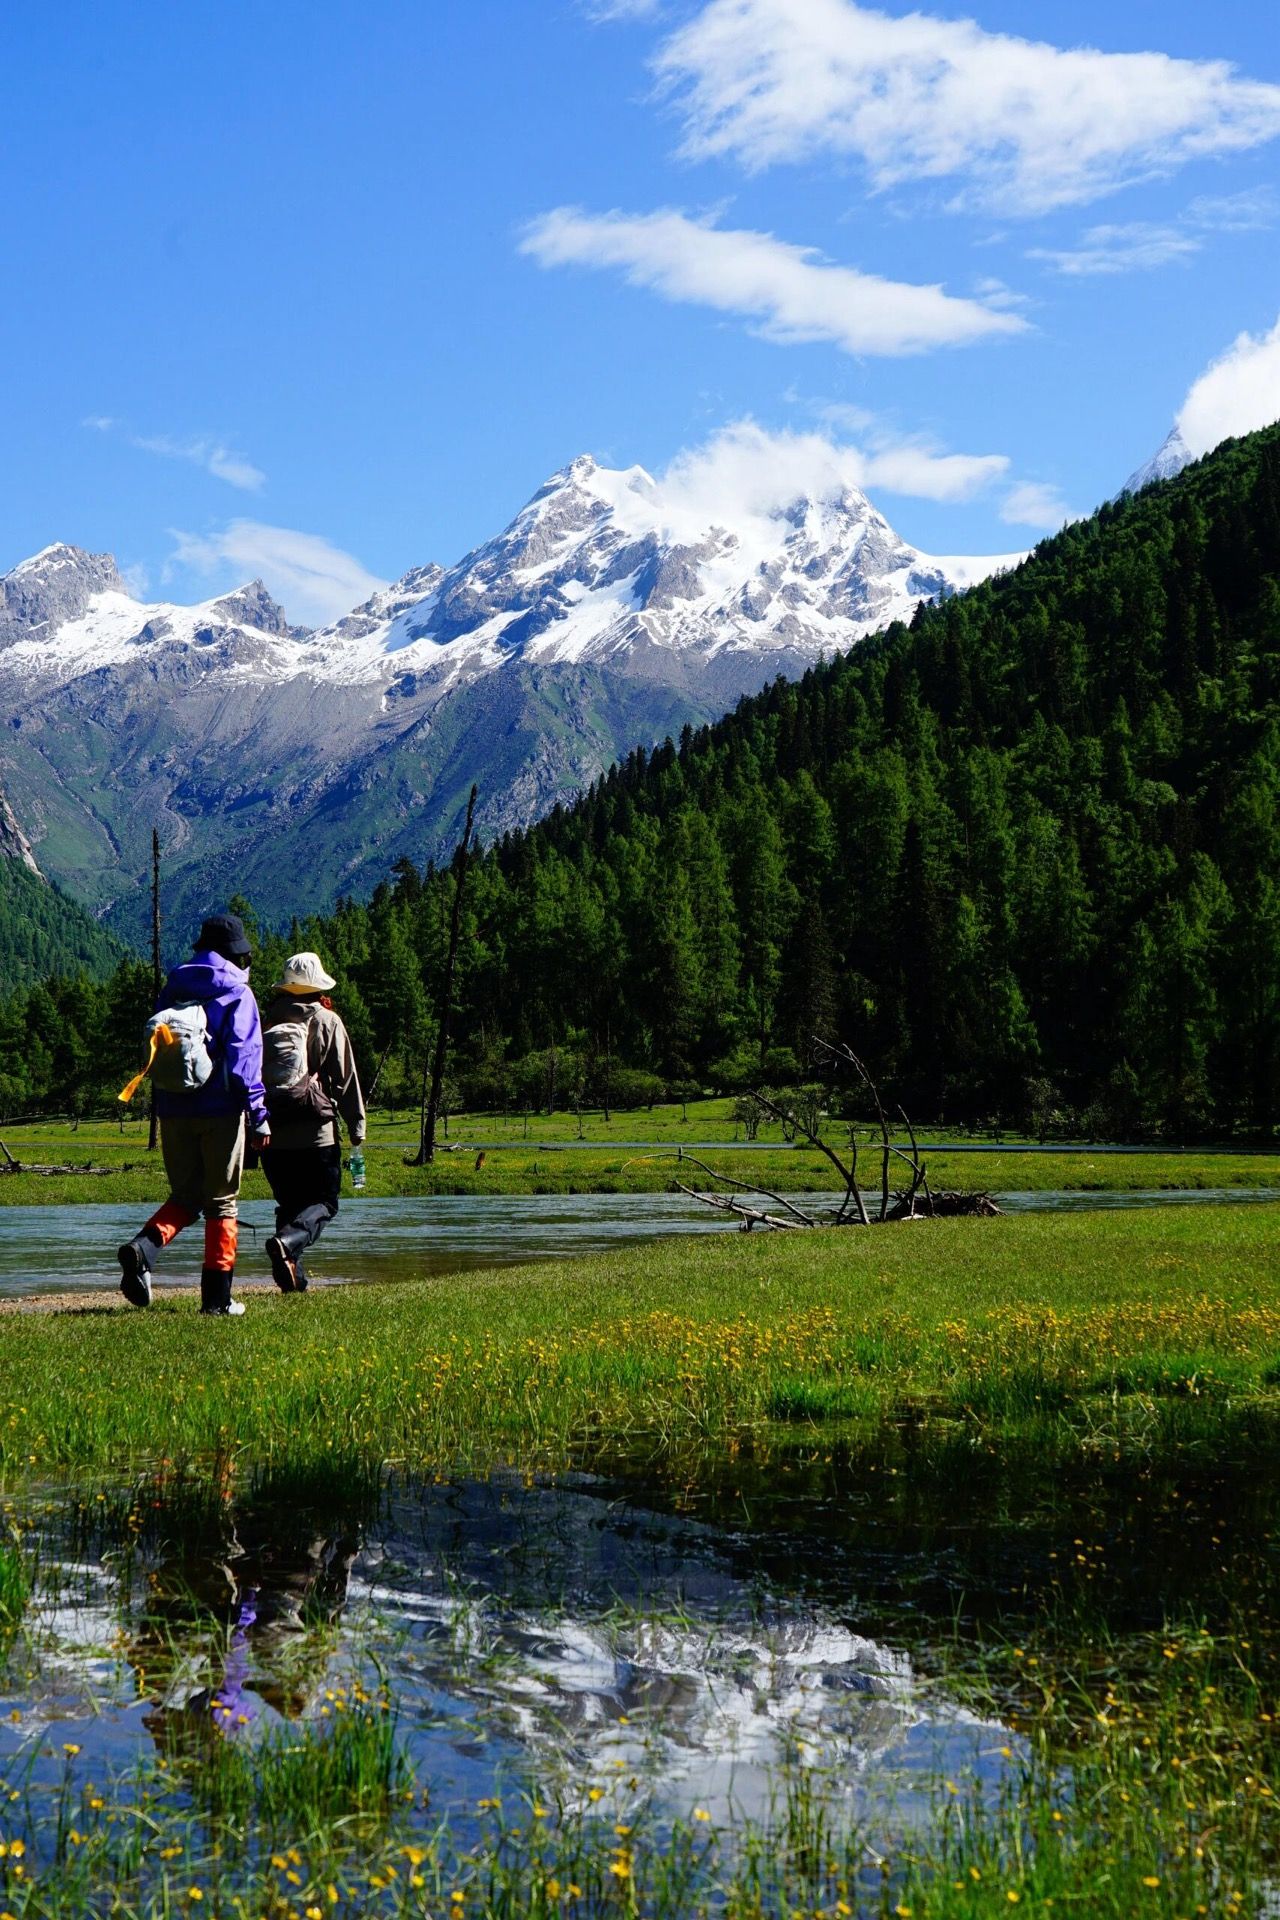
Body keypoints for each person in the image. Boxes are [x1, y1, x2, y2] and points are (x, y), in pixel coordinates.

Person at [117, 913, 271, 1315]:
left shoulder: (172, 987)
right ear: (236, 954)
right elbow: (244, 1060)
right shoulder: (238, 994)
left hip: (172, 1108)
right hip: (220, 1110)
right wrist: (259, 1114)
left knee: (186, 1197)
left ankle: (143, 1248)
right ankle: (217, 1301)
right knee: (222, 1202)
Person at [257, 950, 366, 1292]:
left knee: (289, 1206)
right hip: (317, 1135)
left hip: (273, 1136)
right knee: (325, 1202)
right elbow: (346, 1079)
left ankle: (294, 1277)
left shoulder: (266, 1021)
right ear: (318, 987)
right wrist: (357, 1127)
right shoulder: (327, 1020)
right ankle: (287, 1243)